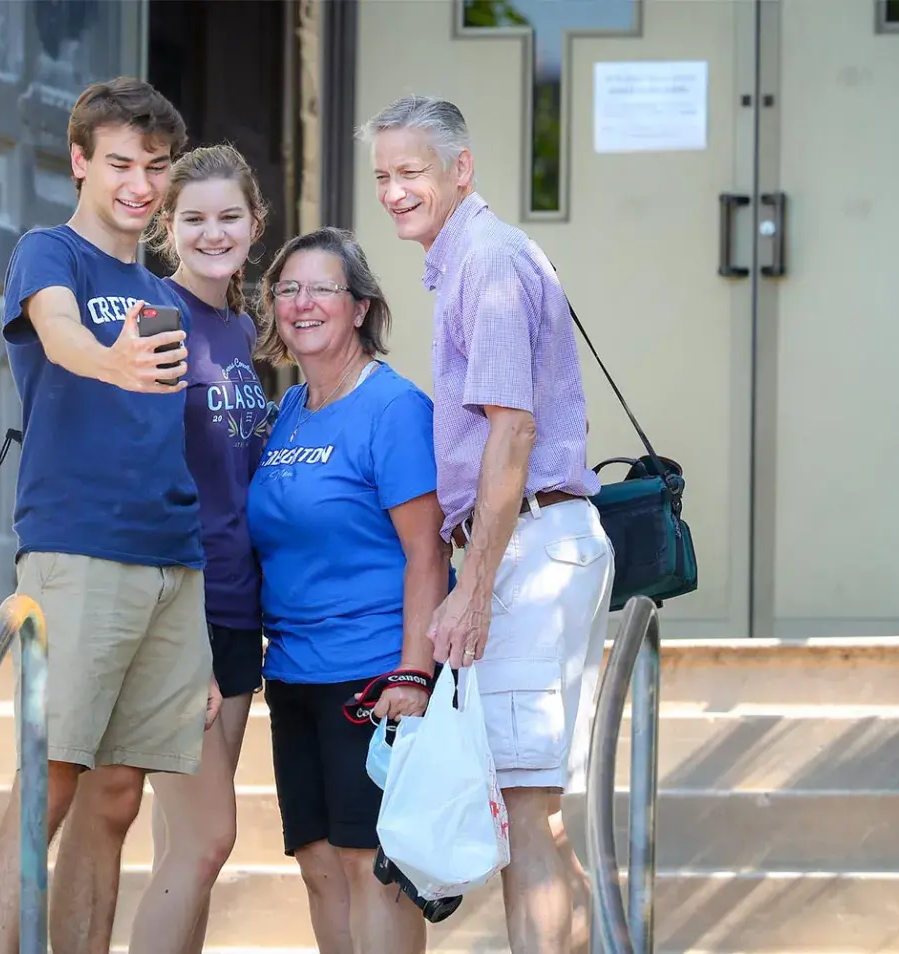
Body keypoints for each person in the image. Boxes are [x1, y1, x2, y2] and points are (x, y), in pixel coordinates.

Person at [359, 95, 616, 954]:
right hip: (542, 545)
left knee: (525, 812)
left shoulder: (488, 262)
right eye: (383, 175)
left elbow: (513, 433)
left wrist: (471, 590)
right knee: (540, 815)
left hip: (529, 553)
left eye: (412, 171)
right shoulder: (473, 258)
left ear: (460, 169)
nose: (394, 191)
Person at [0, 78, 218, 954]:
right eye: (120, 163)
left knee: (117, 796)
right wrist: (110, 362)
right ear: (80, 161)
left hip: (170, 563)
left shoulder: (162, 291)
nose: (140, 184)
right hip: (78, 552)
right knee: (47, 786)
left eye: (155, 166)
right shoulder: (49, 253)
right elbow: (60, 332)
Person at [247, 227, 450, 954]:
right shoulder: (289, 411)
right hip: (292, 671)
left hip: (371, 675)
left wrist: (413, 672)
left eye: (322, 289)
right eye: (288, 289)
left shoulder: (394, 409)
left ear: (360, 307)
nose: (302, 303)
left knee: (374, 870)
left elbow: (427, 551)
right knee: (318, 864)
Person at [124, 143, 273, 954]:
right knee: (208, 837)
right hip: (183, 607)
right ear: (167, 227)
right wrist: (180, 635)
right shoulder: (155, 315)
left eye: (228, 217)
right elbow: (144, 476)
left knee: (187, 852)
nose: (213, 233)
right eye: (194, 219)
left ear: (254, 224)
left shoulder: (240, 327)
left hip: (237, 607)